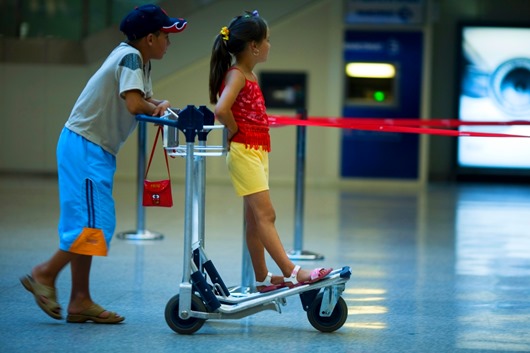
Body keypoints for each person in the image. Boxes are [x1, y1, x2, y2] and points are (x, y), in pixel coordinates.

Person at [20, 4, 187, 323]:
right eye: (166, 35)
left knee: (88, 220)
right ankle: (45, 273)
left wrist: (160, 105)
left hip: (93, 149)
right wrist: (155, 109)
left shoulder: (136, 59)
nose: (169, 41)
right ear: (150, 38)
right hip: (85, 147)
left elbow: (141, 99)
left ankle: (80, 299)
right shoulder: (130, 58)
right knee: (95, 225)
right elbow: (135, 103)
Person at [209, 10, 332, 293]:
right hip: (245, 152)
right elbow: (221, 109)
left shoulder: (248, 74)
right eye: (267, 40)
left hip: (256, 151)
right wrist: (233, 130)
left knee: (254, 221)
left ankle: (262, 277)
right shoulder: (237, 75)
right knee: (267, 216)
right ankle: (292, 271)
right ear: (254, 46)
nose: (269, 45)